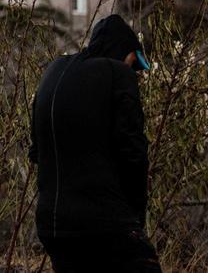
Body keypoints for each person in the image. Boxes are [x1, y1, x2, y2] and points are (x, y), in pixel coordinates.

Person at [29, 14, 160, 272]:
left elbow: (35, 153)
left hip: (52, 228)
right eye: (135, 64)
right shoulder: (118, 74)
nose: (136, 74)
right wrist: (134, 222)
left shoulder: (52, 72)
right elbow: (134, 154)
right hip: (104, 225)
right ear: (123, 51)